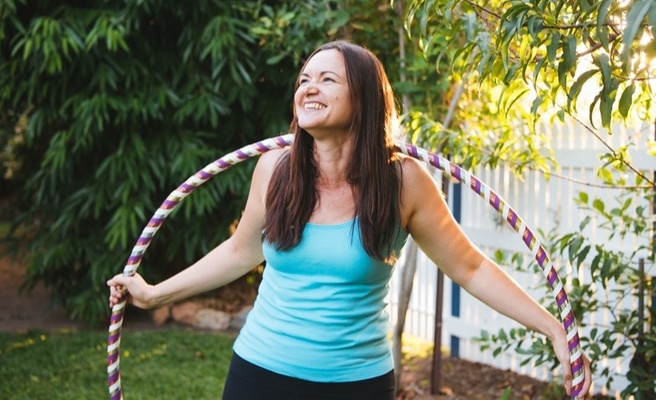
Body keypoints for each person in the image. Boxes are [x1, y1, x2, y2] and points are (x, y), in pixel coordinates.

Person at [108, 40, 592, 399]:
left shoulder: (402, 182)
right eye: (304, 80)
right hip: (260, 373)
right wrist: (154, 294)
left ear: (362, 98)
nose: (309, 87)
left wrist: (554, 328)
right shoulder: (275, 168)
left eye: (327, 79)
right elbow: (242, 250)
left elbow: (470, 267)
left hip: (356, 383)